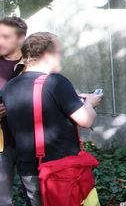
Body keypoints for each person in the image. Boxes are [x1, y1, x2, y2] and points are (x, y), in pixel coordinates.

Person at [3, 32, 103, 206]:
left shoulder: (9, 86)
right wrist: (89, 103)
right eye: (59, 52)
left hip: (28, 169)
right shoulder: (55, 82)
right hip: (61, 168)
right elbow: (86, 120)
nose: (61, 57)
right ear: (47, 55)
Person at [0, 17, 26, 206]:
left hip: (31, 142)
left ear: (21, 38)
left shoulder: (35, 64)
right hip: (1, 144)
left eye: (5, 37)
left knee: (37, 197)